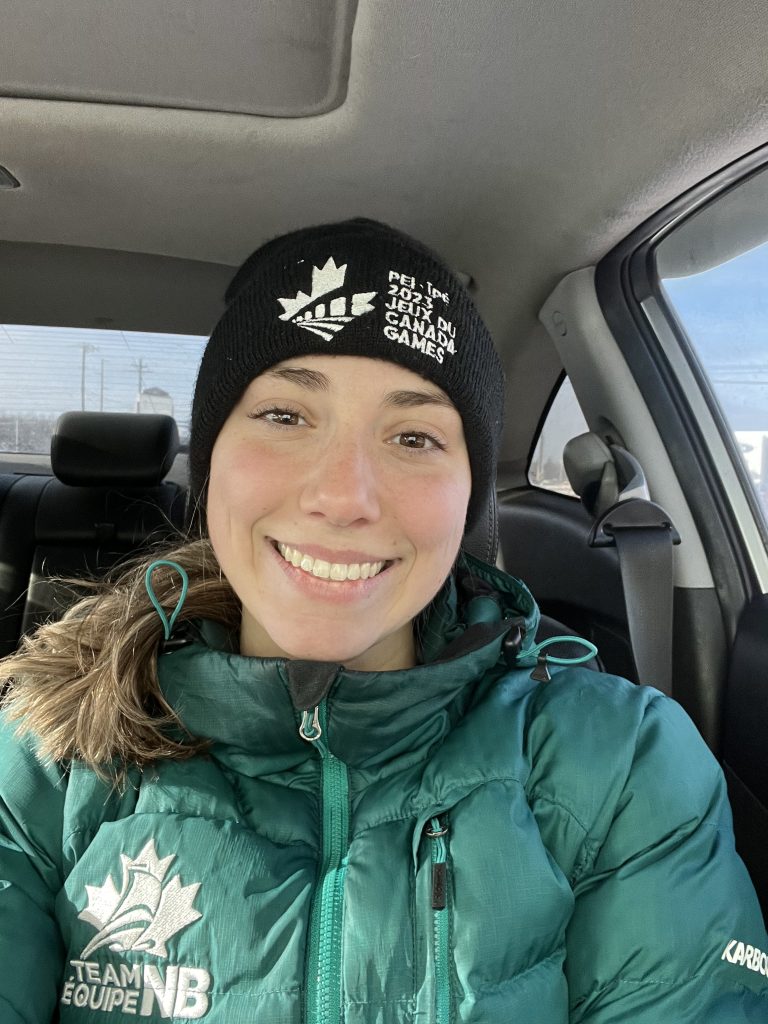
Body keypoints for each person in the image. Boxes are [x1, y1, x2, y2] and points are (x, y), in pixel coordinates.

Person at [0, 218, 765, 1024]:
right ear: (212, 462)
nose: (343, 497)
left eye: (413, 436)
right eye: (286, 416)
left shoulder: (622, 767)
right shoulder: (48, 753)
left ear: (470, 501)